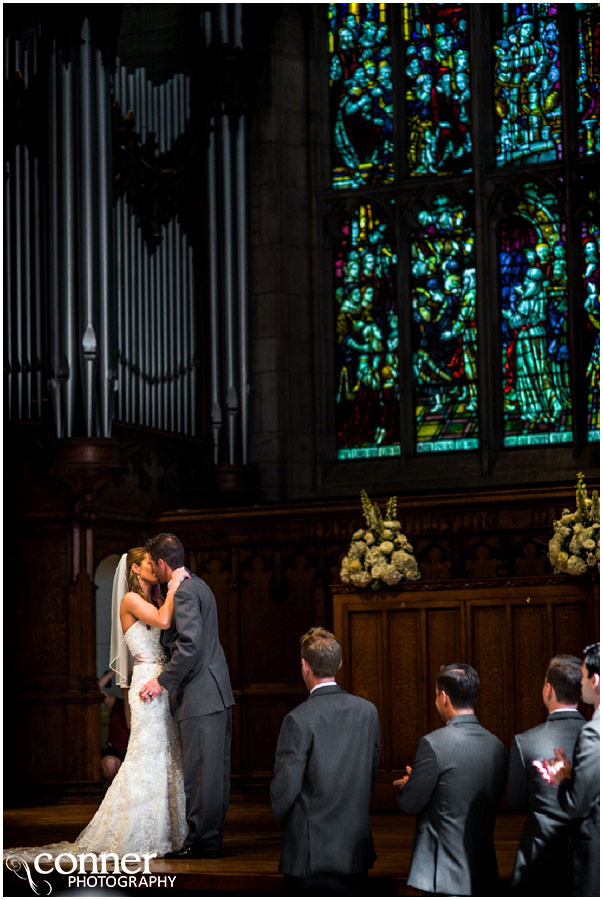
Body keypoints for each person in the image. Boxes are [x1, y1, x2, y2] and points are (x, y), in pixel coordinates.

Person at [4, 547, 190, 861]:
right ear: (135, 570)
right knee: (145, 755)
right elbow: (163, 620)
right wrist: (175, 585)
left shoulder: (155, 598)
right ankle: (133, 829)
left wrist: (165, 593)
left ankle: (170, 830)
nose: (154, 567)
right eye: (148, 563)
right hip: (146, 682)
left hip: (164, 686)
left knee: (167, 754)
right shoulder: (130, 601)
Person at [140, 532, 235, 859]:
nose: (152, 569)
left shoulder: (182, 593)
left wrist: (162, 682)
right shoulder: (201, 584)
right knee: (213, 774)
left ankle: (202, 842)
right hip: (216, 692)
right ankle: (209, 839)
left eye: (153, 564)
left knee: (201, 774)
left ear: (163, 563)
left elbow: (191, 646)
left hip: (199, 695)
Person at [270, 627, 380, 896]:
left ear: (304, 666)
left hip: (310, 853)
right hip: (355, 851)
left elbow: (285, 790)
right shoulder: (368, 712)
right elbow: (371, 773)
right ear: (340, 663)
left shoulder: (298, 719)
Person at [396, 663, 506, 896]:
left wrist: (412, 784)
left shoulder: (433, 744)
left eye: (436, 695)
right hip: (482, 868)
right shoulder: (497, 746)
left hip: (442, 871)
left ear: (444, 697)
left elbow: (410, 804)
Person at [507, 654, 585, 895]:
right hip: (588, 856)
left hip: (539, 857)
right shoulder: (596, 737)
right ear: (581, 693)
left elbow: (515, 802)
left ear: (548, 689)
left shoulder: (525, 742)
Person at [534, 642, 600, 897]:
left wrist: (562, 779)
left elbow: (576, 805)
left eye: (583, 677)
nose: (580, 684)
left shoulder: (594, 732)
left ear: (594, 680)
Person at [98, 670, 130, 781]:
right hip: (116, 750)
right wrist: (115, 670)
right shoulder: (118, 704)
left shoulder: (143, 707)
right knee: (109, 764)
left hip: (134, 751)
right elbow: (98, 690)